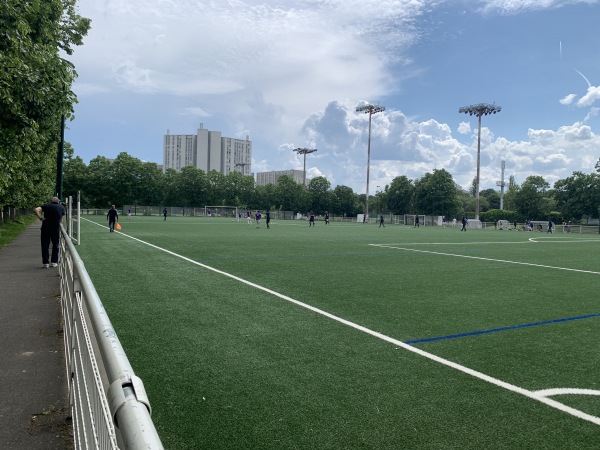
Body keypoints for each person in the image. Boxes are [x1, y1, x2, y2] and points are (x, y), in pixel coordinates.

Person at [34, 197, 66, 268]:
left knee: (45, 245)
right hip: (55, 228)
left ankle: (46, 263)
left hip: (45, 228)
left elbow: (36, 209)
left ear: (51, 201)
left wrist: (41, 218)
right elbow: (61, 219)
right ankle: (54, 262)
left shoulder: (46, 206)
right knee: (56, 245)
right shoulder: (61, 207)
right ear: (58, 201)